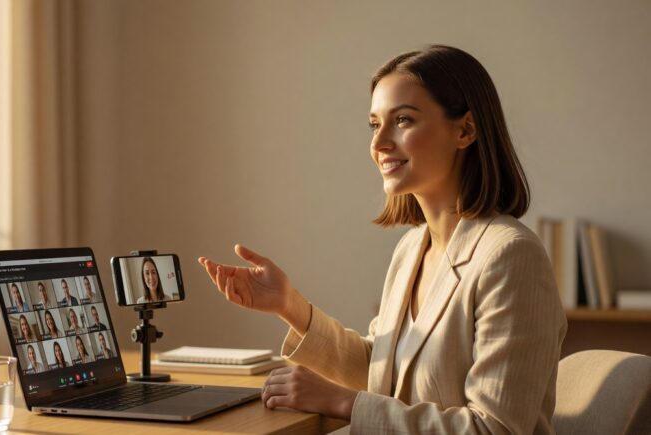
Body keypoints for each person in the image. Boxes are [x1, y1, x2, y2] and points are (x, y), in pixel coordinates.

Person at [198, 45, 567, 433]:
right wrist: (289, 305)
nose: (379, 143)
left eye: (403, 120)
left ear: (465, 130)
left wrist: (341, 402)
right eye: (375, 124)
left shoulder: (510, 255)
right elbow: (382, 370)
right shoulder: (412, 248)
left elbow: (496, 428)